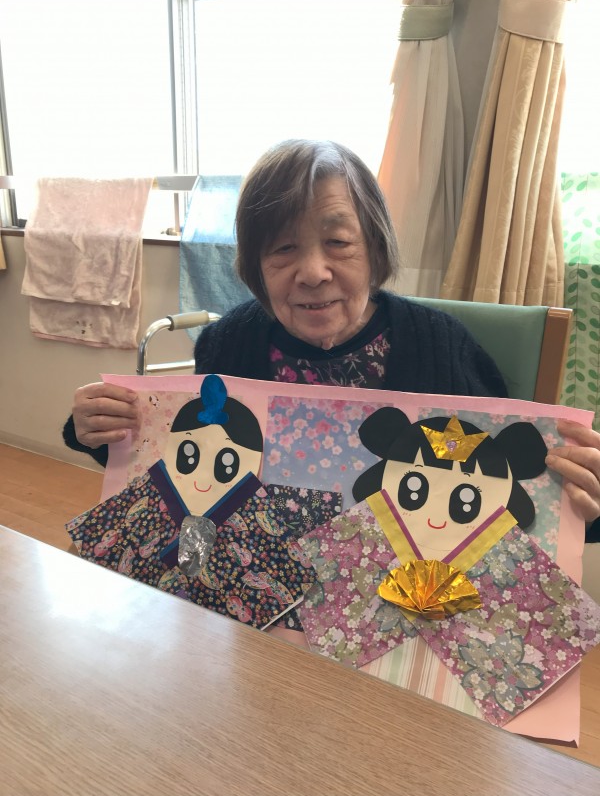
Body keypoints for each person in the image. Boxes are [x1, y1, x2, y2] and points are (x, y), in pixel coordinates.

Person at [63, 138, 600, 541]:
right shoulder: (228, 345)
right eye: (283, 249)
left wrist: (585, 500)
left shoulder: (442, 349)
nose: (313, 272)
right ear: (255, 266)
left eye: (338, 242)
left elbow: (513, 492)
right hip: (258, 594)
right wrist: (102, 431)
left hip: (403, 599)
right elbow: (191, 465)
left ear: (376, 249)